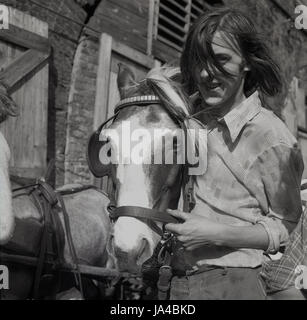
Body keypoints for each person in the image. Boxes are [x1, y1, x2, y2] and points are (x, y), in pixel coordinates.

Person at [165, 8, 304, 300]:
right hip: (176, 284)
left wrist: (216, 234)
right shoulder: (192, 124)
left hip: (234, 286)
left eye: (222, 59)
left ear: (247, 63)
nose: (206, 73)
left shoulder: (271, 136)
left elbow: (286, 225)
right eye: (200, 62)